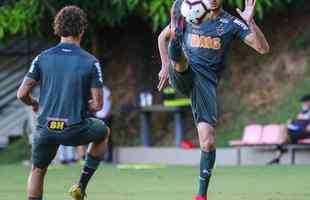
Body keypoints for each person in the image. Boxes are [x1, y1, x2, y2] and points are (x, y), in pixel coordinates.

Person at [157, 0, 269, 200]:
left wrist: (250, 22)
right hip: (183, 72)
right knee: (181, 62)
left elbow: (263, 49)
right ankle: (177, 43)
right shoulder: (191, 13)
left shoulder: (231, 23)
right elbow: (160, 38)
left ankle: (201, 196)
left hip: (205, 84)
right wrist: (165, 65)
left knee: (208, 143)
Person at [17, 6, 110, 200]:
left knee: (37, 170)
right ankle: (81, 186)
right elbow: (98, 105)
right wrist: (79, 105)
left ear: (57, 28)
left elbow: (22, 94)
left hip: (46, 128)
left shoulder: (42, 58)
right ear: (82, 30)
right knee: (103, 131)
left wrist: (35, 104)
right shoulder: (90, 61)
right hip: (75, 129)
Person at [268, 94, 310, 165]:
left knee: (284, 132)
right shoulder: (303, 111)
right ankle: (277, 157)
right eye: (302, 102)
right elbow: (299, 121)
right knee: (284, 131)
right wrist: (292, 121)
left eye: (304, 102)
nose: (303, 104)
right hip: (297, 131)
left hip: (304, 132)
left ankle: (279, 147)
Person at [95, 85, 114, 162]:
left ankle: (109, 158)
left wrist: (108, 112)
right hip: (98, 117)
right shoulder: (95, 90)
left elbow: (111, 101)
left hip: (105, 117)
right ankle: (99, 157)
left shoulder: (105, 90)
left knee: (107, 138)